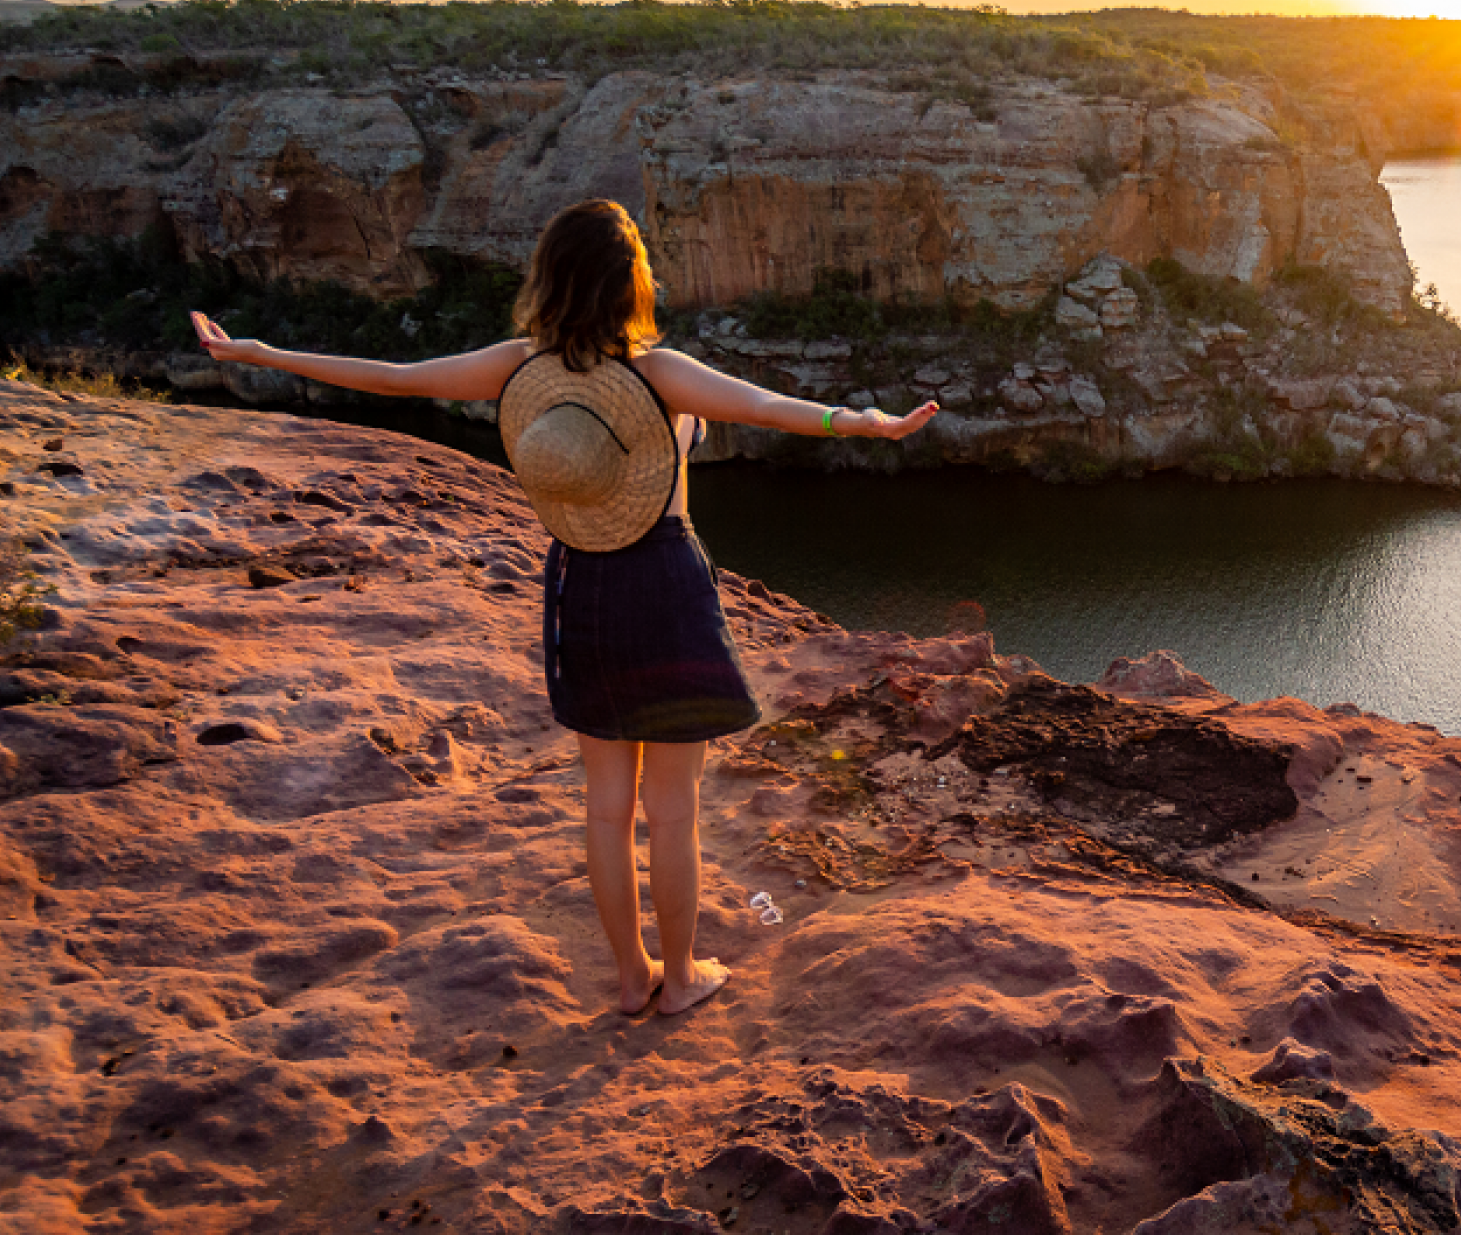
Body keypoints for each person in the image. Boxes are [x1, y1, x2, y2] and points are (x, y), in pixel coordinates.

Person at [190, 198, 936, 1017]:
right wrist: (867, 423)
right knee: (674, 806)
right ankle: (681, 976)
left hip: (581, 579)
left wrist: (260, 350)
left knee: (607, 805)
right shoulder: (657, 372)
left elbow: (393, 378)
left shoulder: (517, 366)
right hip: (663, 584)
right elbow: (768, 407)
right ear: (630, 283)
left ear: (550, 277)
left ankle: (629, 978)